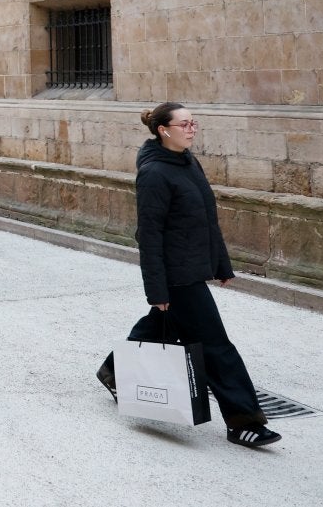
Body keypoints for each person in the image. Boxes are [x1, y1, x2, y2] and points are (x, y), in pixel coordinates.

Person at [97, 101, 281, 450]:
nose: (192, 128)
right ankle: (245, 422)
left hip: (191, 269)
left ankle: (114, 371)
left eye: (194, 122)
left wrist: (221, 264)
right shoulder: (154, 174)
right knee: (216, 347)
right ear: (164, 130)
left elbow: (206, 219)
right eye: (184, 124)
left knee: (161, 325)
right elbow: (149, 236)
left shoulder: (187, 162)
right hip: (176, 276)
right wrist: (157, 290)